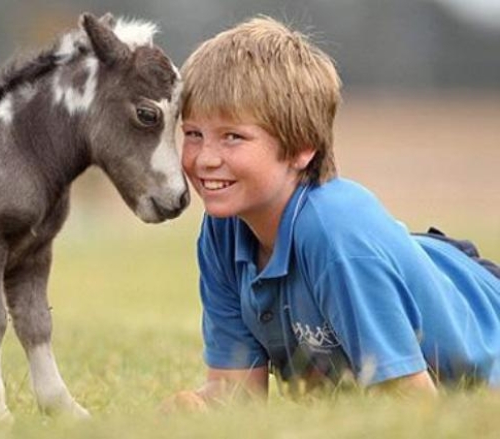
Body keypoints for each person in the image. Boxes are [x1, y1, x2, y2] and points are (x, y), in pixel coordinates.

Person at [168, 15, 500, 408]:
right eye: (193, 134)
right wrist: (195, 409)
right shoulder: (223, 231)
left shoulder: (335, 234)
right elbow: (238, 395)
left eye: (233, 137)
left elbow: (415, 409)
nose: (205, 159)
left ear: (300, 147)